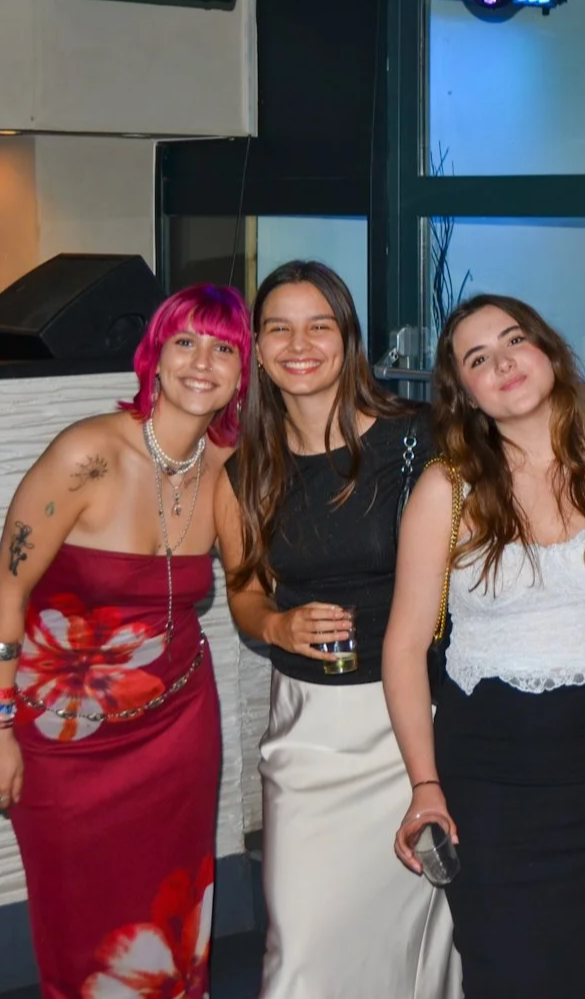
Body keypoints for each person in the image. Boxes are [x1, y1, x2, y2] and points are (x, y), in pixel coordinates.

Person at [0, 284, 247, 998]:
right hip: (64, 739)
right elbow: (5, 594)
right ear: (154, 355)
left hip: (178, 729)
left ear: (242, 372)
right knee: (80, 931)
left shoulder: (226, 467)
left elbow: (259, 583)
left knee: (173, 917)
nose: (202, 362)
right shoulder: (86, 454)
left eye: (223, 348)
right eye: (185, 341)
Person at [383, 294, 585, 999]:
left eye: (514, 341)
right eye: (478, 358)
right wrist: (424, 785)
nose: (502, 363)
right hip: (488, 766)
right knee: (502, 967)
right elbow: (404, 647)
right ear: (464, 391)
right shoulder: (447, 489)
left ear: (548, 350)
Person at [218, 261, 460, 998]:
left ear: (347, 339)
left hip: (418, 721)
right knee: (301, 944)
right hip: (311, 732)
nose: (300, 345)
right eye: (279, 329)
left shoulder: (417, 438)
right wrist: (277, 625)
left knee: (417, 935)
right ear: (258, 350)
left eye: (318, 326)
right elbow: (243, 596)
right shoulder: (244, 470)